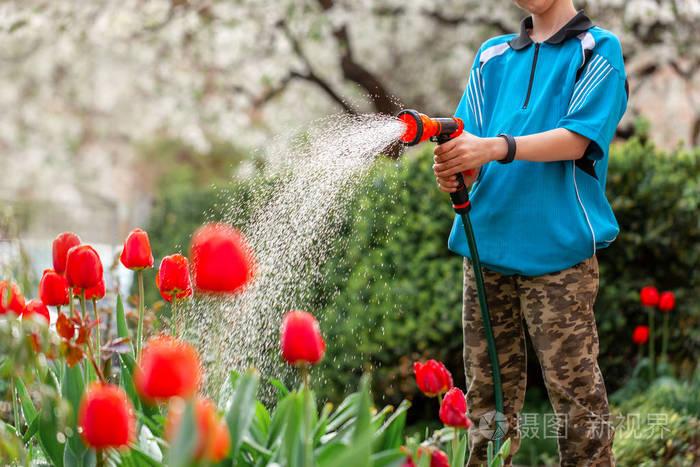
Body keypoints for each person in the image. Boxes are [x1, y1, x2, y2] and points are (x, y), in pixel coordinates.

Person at [432, 0, 628, 465]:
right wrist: (457, 169)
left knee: (575, 396)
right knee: (485, 403)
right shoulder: (491, 56)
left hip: (557, 255)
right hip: (486, 251)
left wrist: (497, 147)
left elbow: (577, 138)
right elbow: (469, 143)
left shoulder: (596, 49)